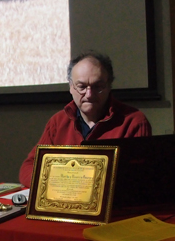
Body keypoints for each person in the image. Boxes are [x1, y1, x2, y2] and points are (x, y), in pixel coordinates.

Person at [19, 51, 151, 186]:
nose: (89, 94)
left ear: (109, 85)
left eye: (98, 86)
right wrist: (59, 183)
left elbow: (141, 178)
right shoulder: (58, 122)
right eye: (81, 87)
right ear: (71, 87)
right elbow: (29, 168)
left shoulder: (134, 122)